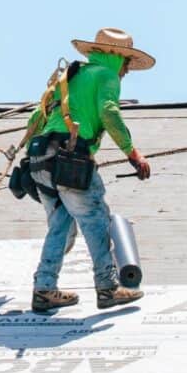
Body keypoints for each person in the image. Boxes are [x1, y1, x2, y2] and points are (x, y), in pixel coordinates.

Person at [25, 28, 153, 312]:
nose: (127, 71)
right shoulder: (105, 76)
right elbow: (109, 112)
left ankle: (44, 288)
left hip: (39, 160)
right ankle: (107, 287)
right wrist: (133, 154)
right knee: (95, 220)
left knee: (61, 224)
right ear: (115, 56)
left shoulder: (68, 76)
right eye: (127, 62)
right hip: (71, 161)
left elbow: (36, 118)